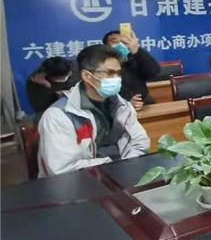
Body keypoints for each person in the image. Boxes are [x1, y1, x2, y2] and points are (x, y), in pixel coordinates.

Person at [37, 45, 149, 177]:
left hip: (121, 175)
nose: (117, 78)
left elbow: (140, 142)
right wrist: (112, 165)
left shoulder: (122, 106)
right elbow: (62, 169)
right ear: (87, 76)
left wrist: (127, 166)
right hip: (80, 182)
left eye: (118, 73)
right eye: (110, 73)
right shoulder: (59, 115)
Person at [102, 29, 161, 110]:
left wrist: (136, 51)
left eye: (123, 42)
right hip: (118, 108)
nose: (120, 44)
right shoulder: (103, 67)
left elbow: (154, 72)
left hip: (143, 105)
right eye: (115, 42)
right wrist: (126, 103)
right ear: (106, 47)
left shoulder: (136, 59)